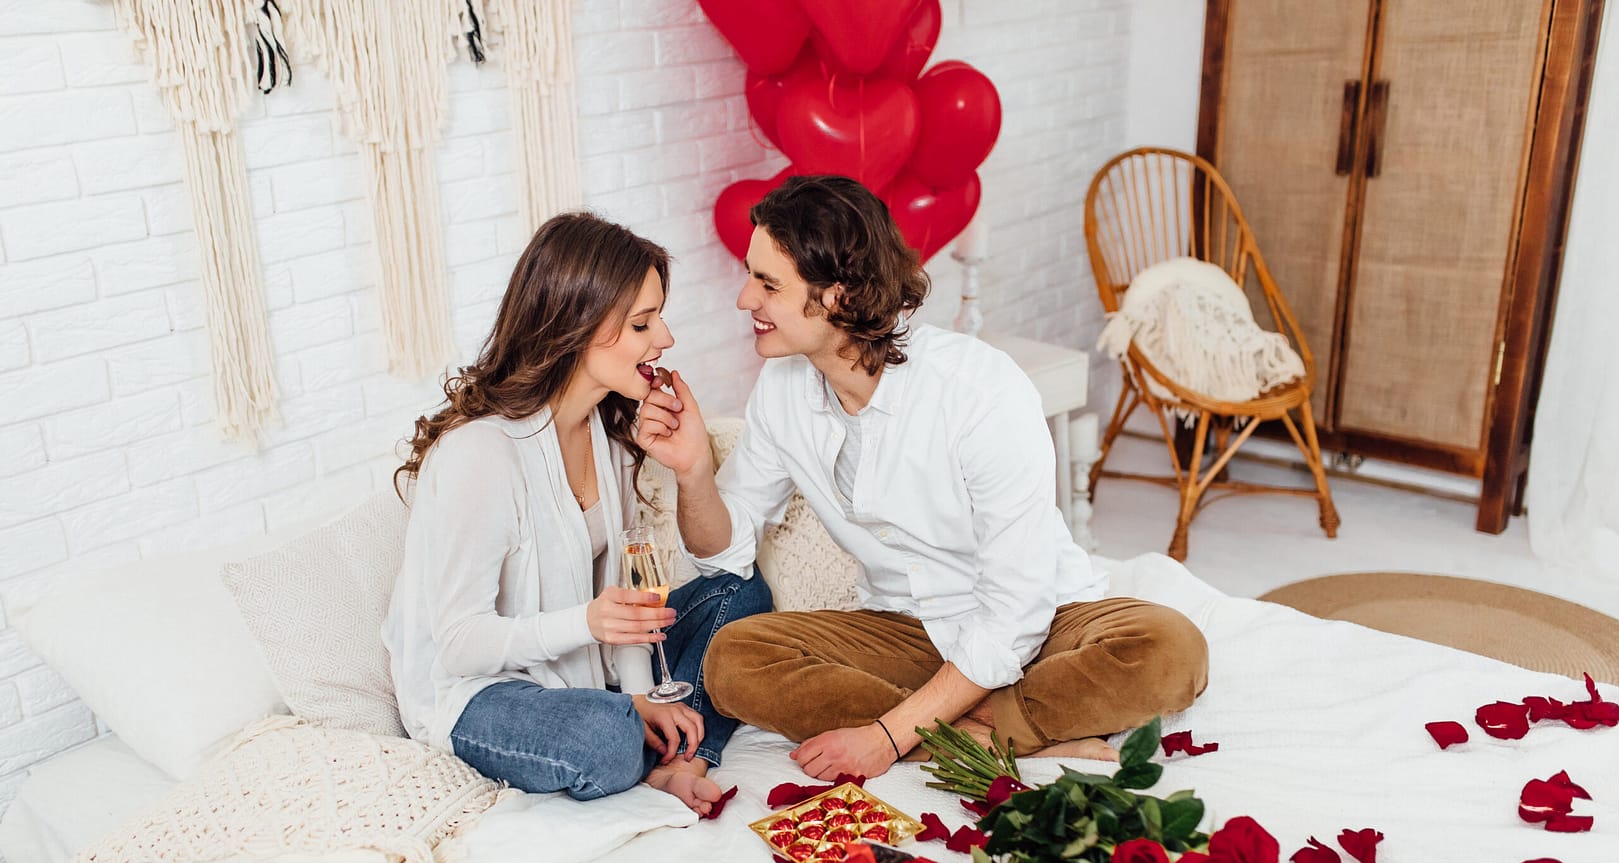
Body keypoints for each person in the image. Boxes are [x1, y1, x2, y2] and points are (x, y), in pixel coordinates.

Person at [635, 175, 1207, 781]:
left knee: (1170, 650)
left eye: (767, 283)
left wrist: (885, 737)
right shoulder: (781, 389)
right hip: (905, 631)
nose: (745, 299)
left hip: (1044, 624)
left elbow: (1016, 612)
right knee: (734, 660)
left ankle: (941, 732)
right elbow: (723, 555)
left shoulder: (979, 389)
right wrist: (694, 471)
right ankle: (1003, 738)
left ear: (839, 296)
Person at [383, 212, 772, 815]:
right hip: (483, 695)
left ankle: (677, 758)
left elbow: (630, 613)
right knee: (604, 739)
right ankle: (646, 741)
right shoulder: (480, 453)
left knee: (740, 592)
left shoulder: (605, 435)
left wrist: (642, 699)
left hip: (589, 674)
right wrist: (591, 626)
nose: (665, 338)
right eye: (642, 323)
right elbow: (458, 644)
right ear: (579, 325)